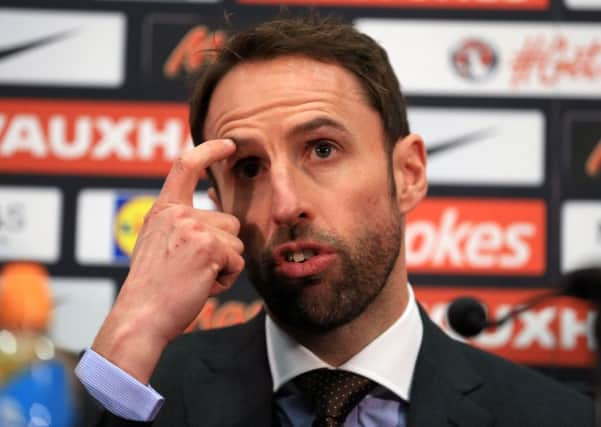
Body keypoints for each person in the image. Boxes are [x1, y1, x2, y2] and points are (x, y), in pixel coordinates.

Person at [75, 14, 595, 427]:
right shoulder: (141, 394)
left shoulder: (557, 418)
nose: (286, 204)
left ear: (408, 173)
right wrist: (132, 331)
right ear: (219, 204)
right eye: (249, 167)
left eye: (322, 149)